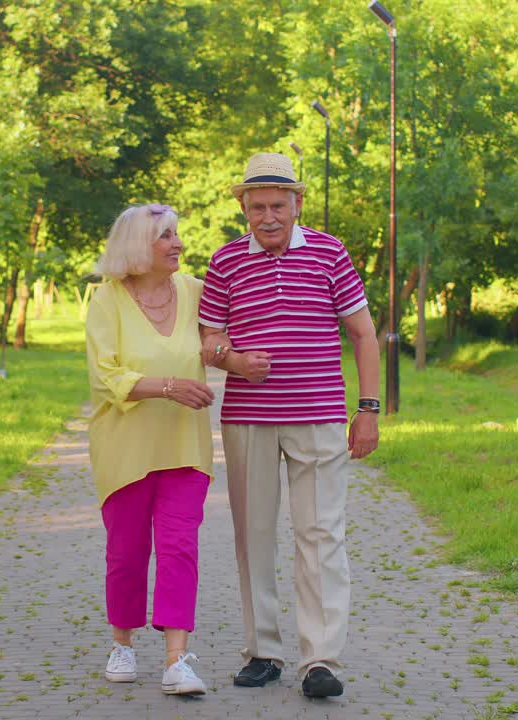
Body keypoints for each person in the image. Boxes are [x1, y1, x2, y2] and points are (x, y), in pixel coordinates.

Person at [198, 153, 381, 699]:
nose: (268, 216)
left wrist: (368, 409)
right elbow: (209, 340)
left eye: (279, 204)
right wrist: (234, 362)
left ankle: (319, 659)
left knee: (321, 534)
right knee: (252, 535)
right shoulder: (225, 261)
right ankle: (262, 650)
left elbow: (364, 334)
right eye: (258, 206)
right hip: (249, 420)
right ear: (243, 208)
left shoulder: (329, 251)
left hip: (320, 417)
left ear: (297, 204)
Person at [85, 203, 216, 696]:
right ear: (139, 246)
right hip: (125, 449)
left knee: (181, 548)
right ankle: (122, 643)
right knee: (127, 552)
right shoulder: (106, 300)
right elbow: (107, 375)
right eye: (166, 236)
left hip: (185, 445)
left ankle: (176, 659)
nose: (178, 243)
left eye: (176, 234)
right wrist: (167, 387)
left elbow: (222, 339)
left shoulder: (196, 292)